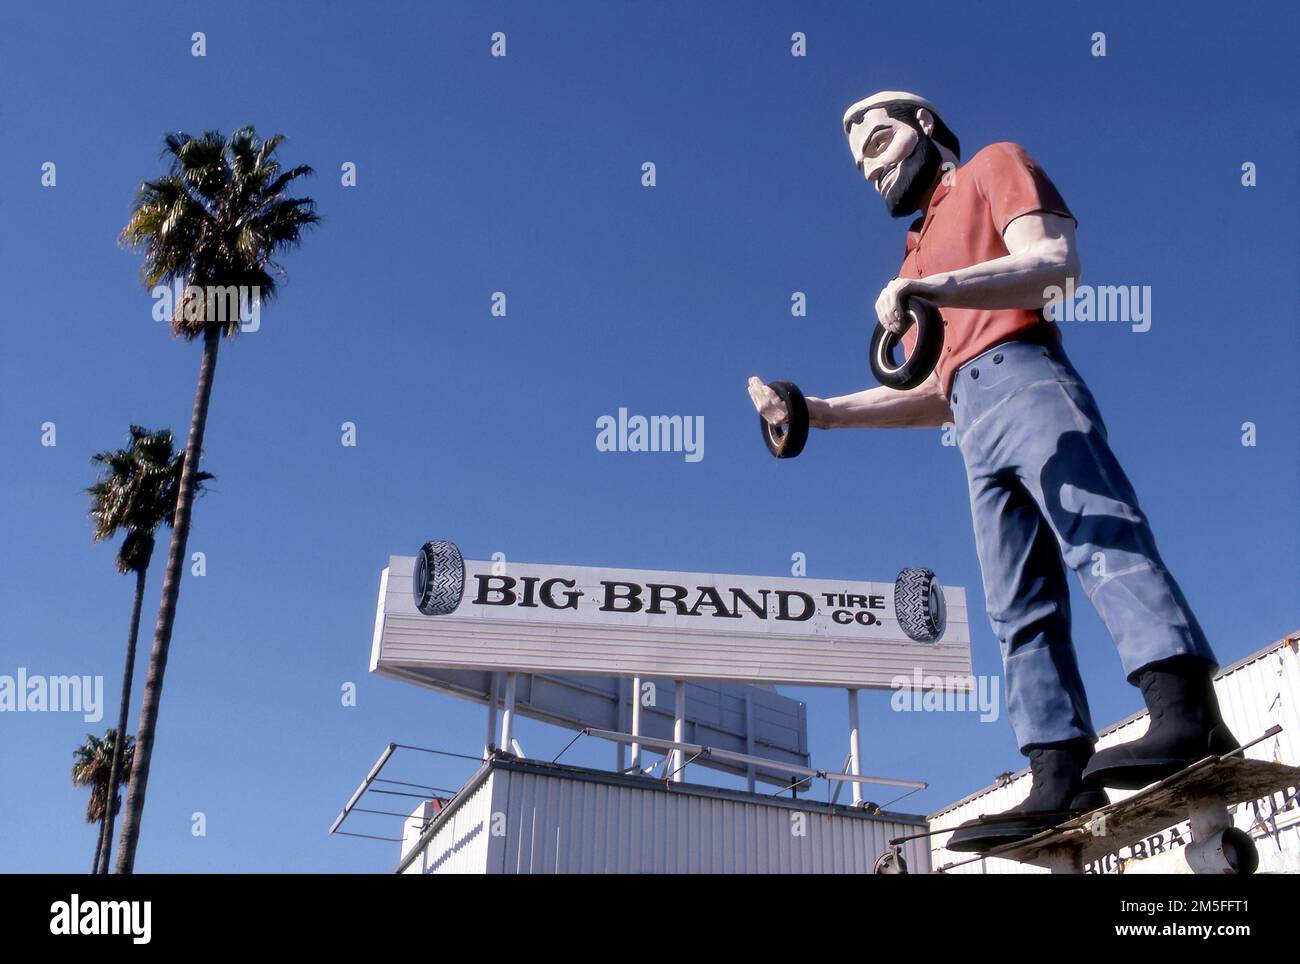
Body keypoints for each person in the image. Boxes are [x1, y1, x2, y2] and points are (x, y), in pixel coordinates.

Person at [747, 90, 1238, 851]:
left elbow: (1055, 266)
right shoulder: (913, 252)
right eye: (859, 164)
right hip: (969, 413)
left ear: (925, 128)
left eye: (879, 144)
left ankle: (1187, 713)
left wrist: (935, 290)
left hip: (1027, 375)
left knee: (1098, 533)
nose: (870, 170)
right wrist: (817, 410)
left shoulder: (991, 166)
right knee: (1016, 603)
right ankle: (1055, 772)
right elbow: (931, 388)